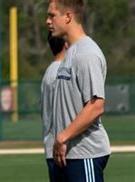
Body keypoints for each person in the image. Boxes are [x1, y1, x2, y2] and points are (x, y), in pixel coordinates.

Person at [46, 0, 110, 181]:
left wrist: (63, 137)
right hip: (67, 155)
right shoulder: (72, 53)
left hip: (84, 154)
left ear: (68, 17)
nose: (47, 21)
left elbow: (96, 106)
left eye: (52, 15)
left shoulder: (86, 53)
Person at [40, 31, 67, 181]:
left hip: (53, 148)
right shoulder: (60, 72)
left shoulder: (50, 71)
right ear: (66, 44)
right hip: (60, 150)